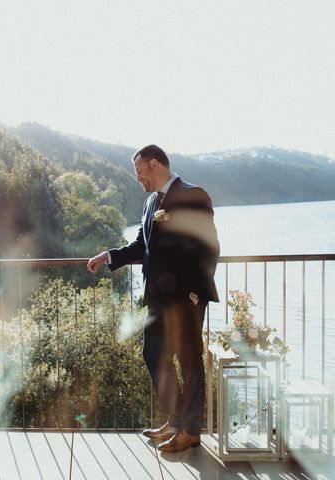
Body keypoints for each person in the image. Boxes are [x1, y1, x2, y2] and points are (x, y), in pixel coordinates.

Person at [87, 145, 219, 453]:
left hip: (187, 297)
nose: (138, 178)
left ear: (156, 164)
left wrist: (196, 292)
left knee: (189, 362)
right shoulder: (150, 203)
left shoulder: (192, 195)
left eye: (139, 171)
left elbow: (209, 246)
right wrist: (108, 255)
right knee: (153, 353)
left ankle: (190, 430)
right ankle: (174, 420)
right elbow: (140, 245)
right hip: (158, 298)